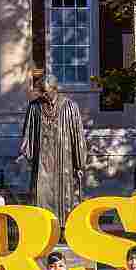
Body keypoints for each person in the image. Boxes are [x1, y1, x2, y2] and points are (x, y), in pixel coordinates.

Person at [18, 74, 89, 228]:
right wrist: (25, 154)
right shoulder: (34, 107)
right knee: (40, 195)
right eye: (41, 91)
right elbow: (28, 133)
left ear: (55, 90)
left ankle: (63, 229)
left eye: (45, 91)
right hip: (42, 162)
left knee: (64, 198)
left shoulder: (70, 106)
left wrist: (79, 163)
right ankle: (41, 228)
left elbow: (77, 136)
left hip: (64, 162)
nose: (42, 94)